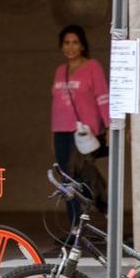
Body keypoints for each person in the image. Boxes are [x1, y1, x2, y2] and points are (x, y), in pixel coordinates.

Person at [51, 24, 110, 231]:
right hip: (61, 131)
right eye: (66, 43)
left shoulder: (92, 66)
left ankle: (105, 208)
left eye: (75, 42)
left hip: (84, 133)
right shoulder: (61, 71)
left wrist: (109, 126)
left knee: (82, 176)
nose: (71, 47)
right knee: (67, 179)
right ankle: (75, 226)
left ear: (83, 45)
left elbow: (103, 97)